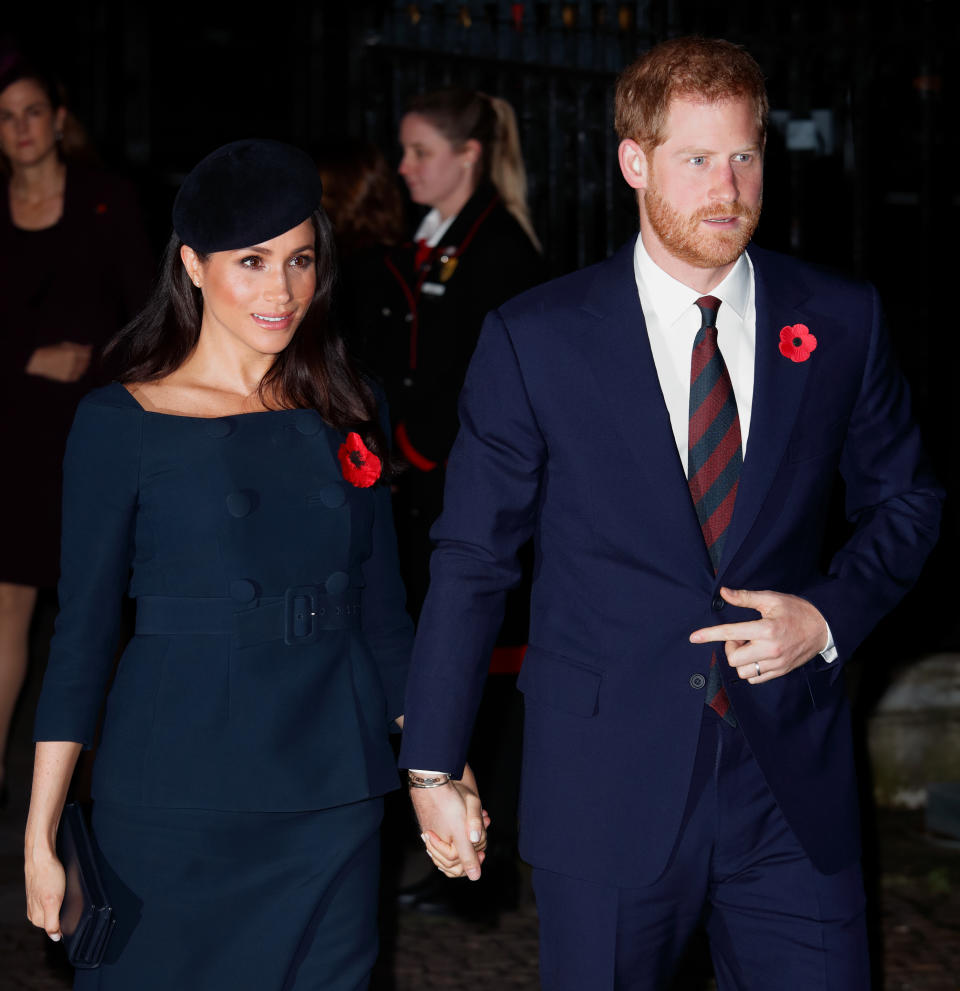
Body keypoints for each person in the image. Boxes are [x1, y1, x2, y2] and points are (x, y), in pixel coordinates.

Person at [398, 37, 943, 990]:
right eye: (696, 159)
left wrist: (826, 615)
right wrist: (434, 767)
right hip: (606, 780)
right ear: (634, 161)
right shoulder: (537, 340)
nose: (727, 187)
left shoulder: (839, 317)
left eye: (744, 155)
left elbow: (909, 499)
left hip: (792, 790)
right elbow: (473, 559)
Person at [23, 139, 478, 990]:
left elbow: (388, 620)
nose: (282, 291)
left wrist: (444, 771)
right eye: (253, 262)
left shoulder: (350, 403)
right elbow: (81, 635)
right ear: (191, 266)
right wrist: (40, 832)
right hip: (176, 795)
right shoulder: (123, 421)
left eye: (301, 260)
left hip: (332, 791)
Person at [0, 53, 152, 805]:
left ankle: (93, 782)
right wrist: (29, 355)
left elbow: (143, 313)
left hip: (92, 426)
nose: (21, 128)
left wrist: (93, 363)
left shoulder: (106, 199)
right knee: (7, 602)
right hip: (13, 428)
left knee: (92, 605)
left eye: (32, 111)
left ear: (57, 119)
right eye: (6, 115)